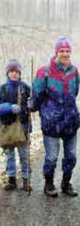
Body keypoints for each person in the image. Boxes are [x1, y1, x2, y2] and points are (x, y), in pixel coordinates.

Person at [31, 36, 80, 197]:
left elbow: (75, 93)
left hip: (70, 121)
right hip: (51, 122)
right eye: (62, 51)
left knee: (71, 155)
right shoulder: (44, 72)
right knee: (52, 156)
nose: (65, 54)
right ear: (56, 52)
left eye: (67, 51)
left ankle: (66, 183)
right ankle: (49, 183)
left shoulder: (75, 72)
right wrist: (35, 109)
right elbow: (37, 96)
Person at [0, 59, 31, 191]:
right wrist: (9, 107)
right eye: (11, 71)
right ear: (7, 73)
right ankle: (11, 179)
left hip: (23, 127)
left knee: (24, 155)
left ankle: (26, 180)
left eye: (16, 71)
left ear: (19, 73)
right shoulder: (2, 89)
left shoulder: (25, 88)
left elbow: (34, 102)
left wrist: (31, 104)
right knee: (9, 156)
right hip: (6, 127)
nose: (14, 74)